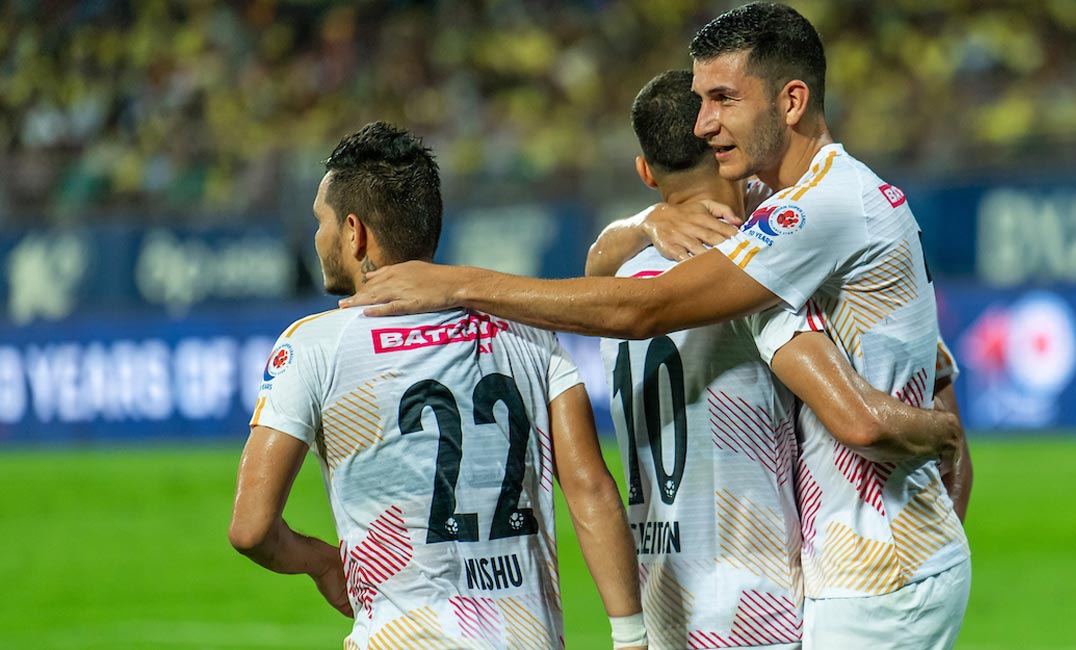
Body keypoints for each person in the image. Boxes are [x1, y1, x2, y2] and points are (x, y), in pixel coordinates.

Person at [341, 4, 971, 646]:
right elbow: (933, 365)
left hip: (857, 575)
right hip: (850, 567)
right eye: (700, 102)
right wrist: (642, 223)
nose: (706, 124)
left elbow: (642, 309)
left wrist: (458, 283)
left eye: (724, 98)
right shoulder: (806, 208)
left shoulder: (814, 213)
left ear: (791, 101)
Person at [228, 122, 646, 650]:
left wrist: (319, 562)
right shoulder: (528, 332)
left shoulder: (316, 345)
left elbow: (251, 528)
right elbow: (590, 487)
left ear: (354, 232)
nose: (318, 237)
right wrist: (631, 636)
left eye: (322, 222)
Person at [600, 69, 970, 649]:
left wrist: (638, 226)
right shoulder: (760, 273)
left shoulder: (617, 286)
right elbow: (873, 409)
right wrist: (940, 434)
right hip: (761, 603)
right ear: (727, 150)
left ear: (646, 173)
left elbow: (605, 274)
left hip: (665, 599)